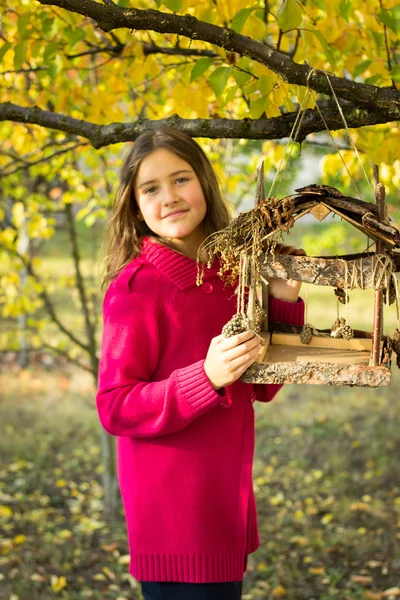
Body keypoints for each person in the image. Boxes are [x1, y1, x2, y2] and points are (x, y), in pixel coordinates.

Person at [96, 127, 304, 600]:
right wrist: (204, 377)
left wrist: (282, 304)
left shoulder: (233, 273)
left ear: (204, 185)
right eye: (150, 188)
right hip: (174, 516)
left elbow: (261, 387)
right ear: (134, 204)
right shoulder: (136, 290)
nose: (168, 197)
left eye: (180, 179)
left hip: (223, 503)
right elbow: (115, 406)